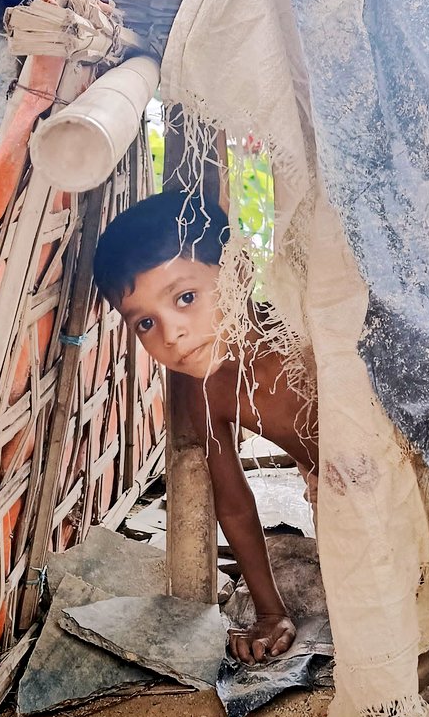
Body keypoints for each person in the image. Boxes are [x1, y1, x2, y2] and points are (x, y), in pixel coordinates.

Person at [92, 190, 317, 664]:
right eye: (146, 323)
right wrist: (270, 611)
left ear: (237, 273)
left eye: (186, 298)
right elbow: (233, 503)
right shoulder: (203, 387)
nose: (171, 334)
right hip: (333, 492)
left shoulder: (306, 337)